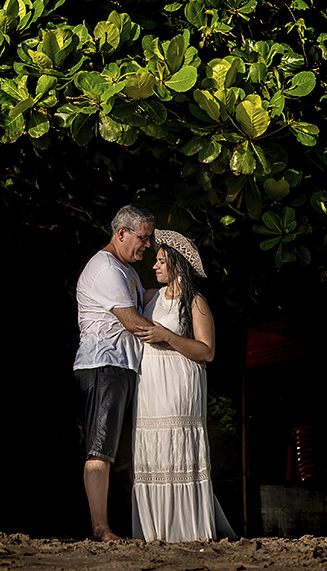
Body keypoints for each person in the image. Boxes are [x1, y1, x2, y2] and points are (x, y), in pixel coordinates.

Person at [131, 230, 232, 542]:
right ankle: (154, 531)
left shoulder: (195, 302)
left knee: (177, 448)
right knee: (153, 452)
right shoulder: (150, 297)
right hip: (149, 388)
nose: (154, 266)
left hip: (178, 386)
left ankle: (187, 530)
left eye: (161, 261)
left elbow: (208, 351)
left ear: (176, 264)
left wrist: (168, 337)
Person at [73, 204, 158, 542]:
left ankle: (114, 525)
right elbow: (134, 322)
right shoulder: (106, 268)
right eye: (144, 237)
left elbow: (147, 299)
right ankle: (100, 528)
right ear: (121, 233)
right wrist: (180, 342)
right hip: (104, 365)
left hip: (121, 367)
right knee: (100, 449)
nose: (147, 245)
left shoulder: (127, 270)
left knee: (117, 452)